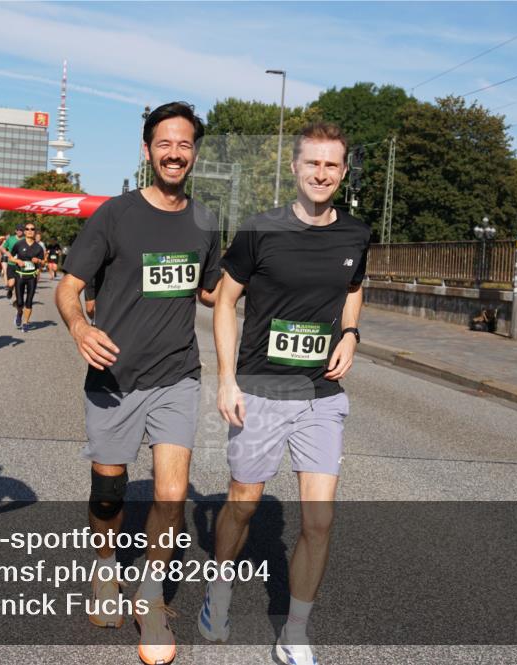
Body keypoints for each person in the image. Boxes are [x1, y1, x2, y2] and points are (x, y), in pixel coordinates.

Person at [56, 101, 221, 665]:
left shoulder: (204, 220)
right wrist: (79, 326)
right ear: (148, 150)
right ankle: (105, 571)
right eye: (165, 144)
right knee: (110, 494)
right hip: (114, 376)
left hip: (178, 373)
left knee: (172, 493)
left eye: (185, 145)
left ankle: (151, 597)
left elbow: (208, 289)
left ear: (195, 153)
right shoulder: (115, 215)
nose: (175, 153)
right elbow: (68, 287)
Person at [200, 122, 370, 665]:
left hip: (322, 395)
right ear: (295, 168)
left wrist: (350, 332)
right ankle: (218, 594)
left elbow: (354, 287)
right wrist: (227, 377)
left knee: (319, 520)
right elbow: (225, 301)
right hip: (262, 389)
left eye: (332, 165)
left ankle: (295, 630)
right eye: (312, 163)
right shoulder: (259, 230)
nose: (321, 174)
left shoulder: (356, 235)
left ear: (343, 173)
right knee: (243, 505)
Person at [10, 223, 45, 331]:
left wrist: (38, 261)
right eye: (27, 229)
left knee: (29, 300)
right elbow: (11, 257)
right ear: (24, 231)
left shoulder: (38, 247)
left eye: (32, 229)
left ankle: (25, 323)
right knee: (20, 302)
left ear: (35, 232)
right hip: (20, 275)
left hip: (32, 277)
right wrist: (17, 260)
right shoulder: (19, 244)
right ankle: (19, 313)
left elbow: (43, 262)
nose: (30, 231)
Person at [1, 225, 24, 300]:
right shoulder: (10, 239)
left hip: (21, 265)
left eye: (21, 229)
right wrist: (7, 253)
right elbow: (2, 247)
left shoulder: (25, 239)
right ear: (16, 231)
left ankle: (18, 301)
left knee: (19, 284)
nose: (19, 231)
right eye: (18, 229)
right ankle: (10, 290)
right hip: (11, 264)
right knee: (11, 284)